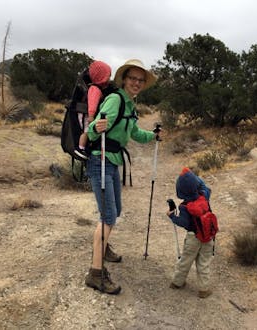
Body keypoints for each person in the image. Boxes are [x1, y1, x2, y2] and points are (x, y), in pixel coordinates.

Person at [84, 59, 160, 294]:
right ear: (125, 79)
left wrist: (152, 135)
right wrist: (95, 129)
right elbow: (92, 127)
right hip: (101, 160)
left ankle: (103, 247)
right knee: (108, 217)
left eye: (140, 80)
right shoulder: (116, 99)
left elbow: (134, 132)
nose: (136, 83)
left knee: (114, 212)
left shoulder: (130, 105)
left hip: (112, 162)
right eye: (133, 78)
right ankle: (95, 274)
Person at [166, 167, 214, 298]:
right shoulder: (205, 195)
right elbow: (205, 186)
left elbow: (183, 222)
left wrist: (171, 216)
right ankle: (204, 290)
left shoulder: (184, 207)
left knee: (185, 261)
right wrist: (194, 178)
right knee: (203, 263)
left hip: (193, 238)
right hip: (208, 237)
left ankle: (177, 283)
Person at [74, 60, 112, 160]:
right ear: (101, 77)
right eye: (108, 75)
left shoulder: (95, 88)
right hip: (87, 115)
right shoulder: (95, 89)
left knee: (88, 132)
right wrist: (91, 116)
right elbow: (92, 104)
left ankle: (83, 148)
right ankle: (80, 149)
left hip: (87, 114)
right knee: (86, 131)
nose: (109, 78)